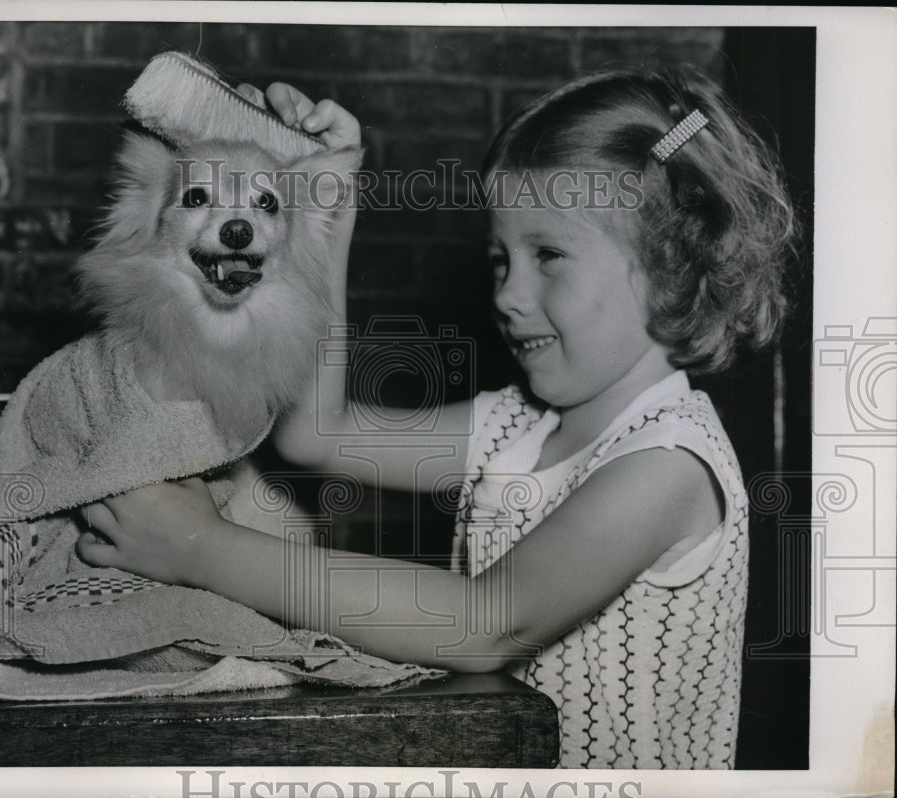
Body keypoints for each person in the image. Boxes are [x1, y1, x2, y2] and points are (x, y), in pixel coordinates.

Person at [76, 67, 797, 768]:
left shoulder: (669, 462)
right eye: (498, 260)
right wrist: (329, 212)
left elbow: (486, 624)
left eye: (547, 255)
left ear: (671, 262)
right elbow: (317, 434)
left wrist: (198, 545)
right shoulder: (518, 426)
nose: (509, 294)